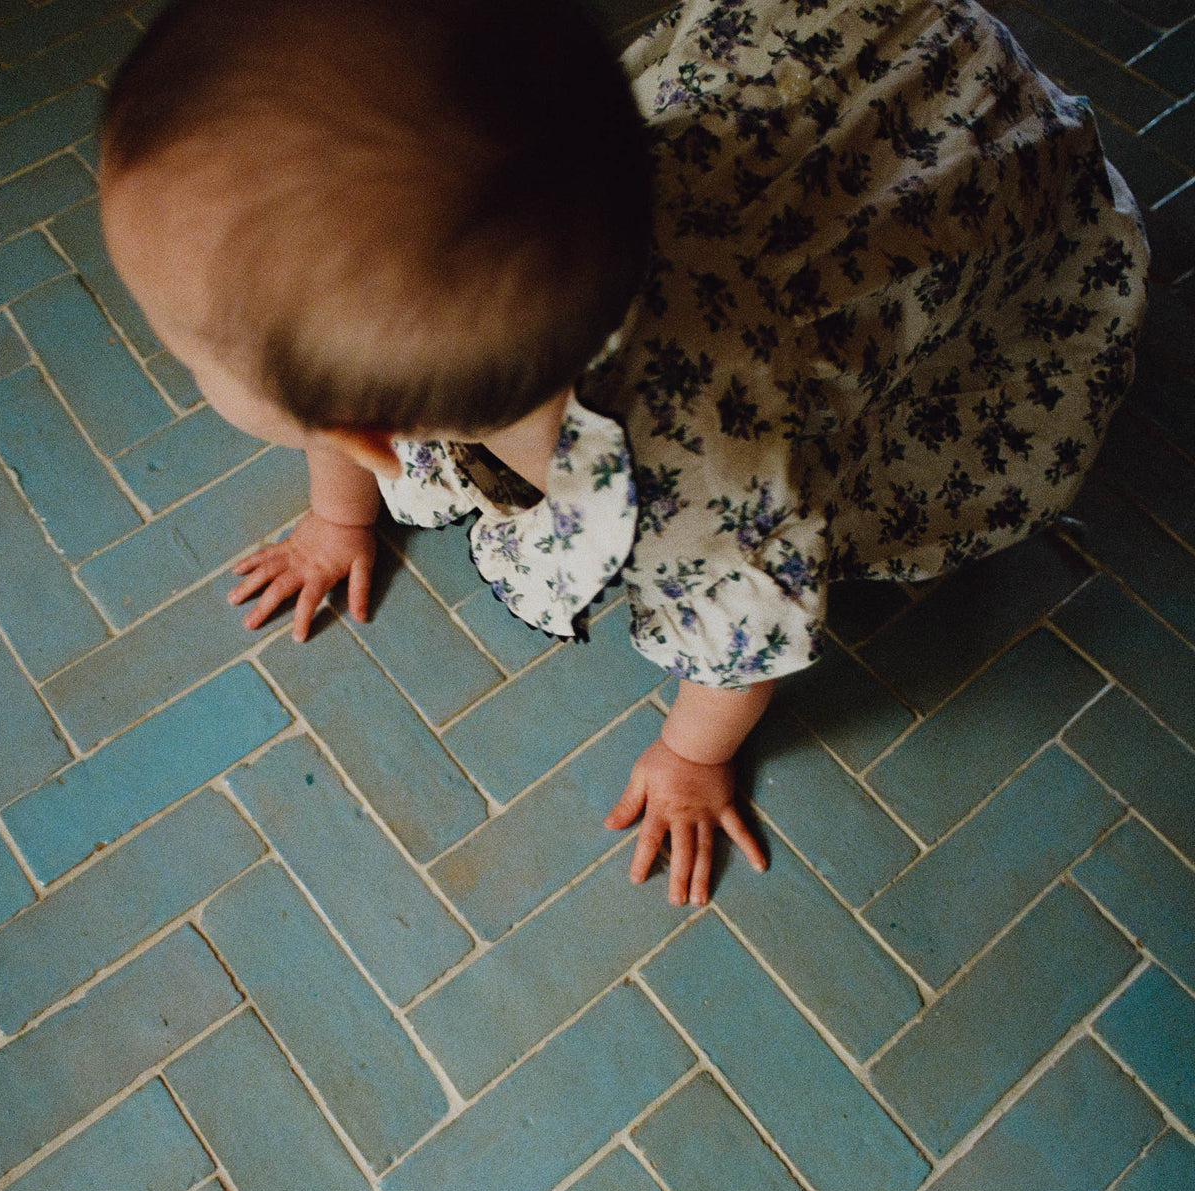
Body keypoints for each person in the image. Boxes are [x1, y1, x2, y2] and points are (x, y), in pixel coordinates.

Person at [99, 0, 1149, 906]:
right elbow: (343, 422)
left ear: (367, 433)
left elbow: (741, 640)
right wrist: (338, 517)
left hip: (958, 159)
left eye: (186, 352)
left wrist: (692, 759)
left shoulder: (715, 485)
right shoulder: (544, 190)